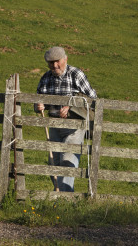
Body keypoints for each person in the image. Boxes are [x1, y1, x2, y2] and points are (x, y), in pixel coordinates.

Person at [35, 46, 97, 192]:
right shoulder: (45, 78)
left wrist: (72, 105)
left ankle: (64, 200)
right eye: (51, 63)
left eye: (57, 62)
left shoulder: (76, 75)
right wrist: (38, 105)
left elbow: (94, 99)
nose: (55, 66)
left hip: (74, 127)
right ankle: (62, 197)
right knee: (53, 165)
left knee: (67, 163)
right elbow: (37, 98)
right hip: (54, 126)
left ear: (65, 59)